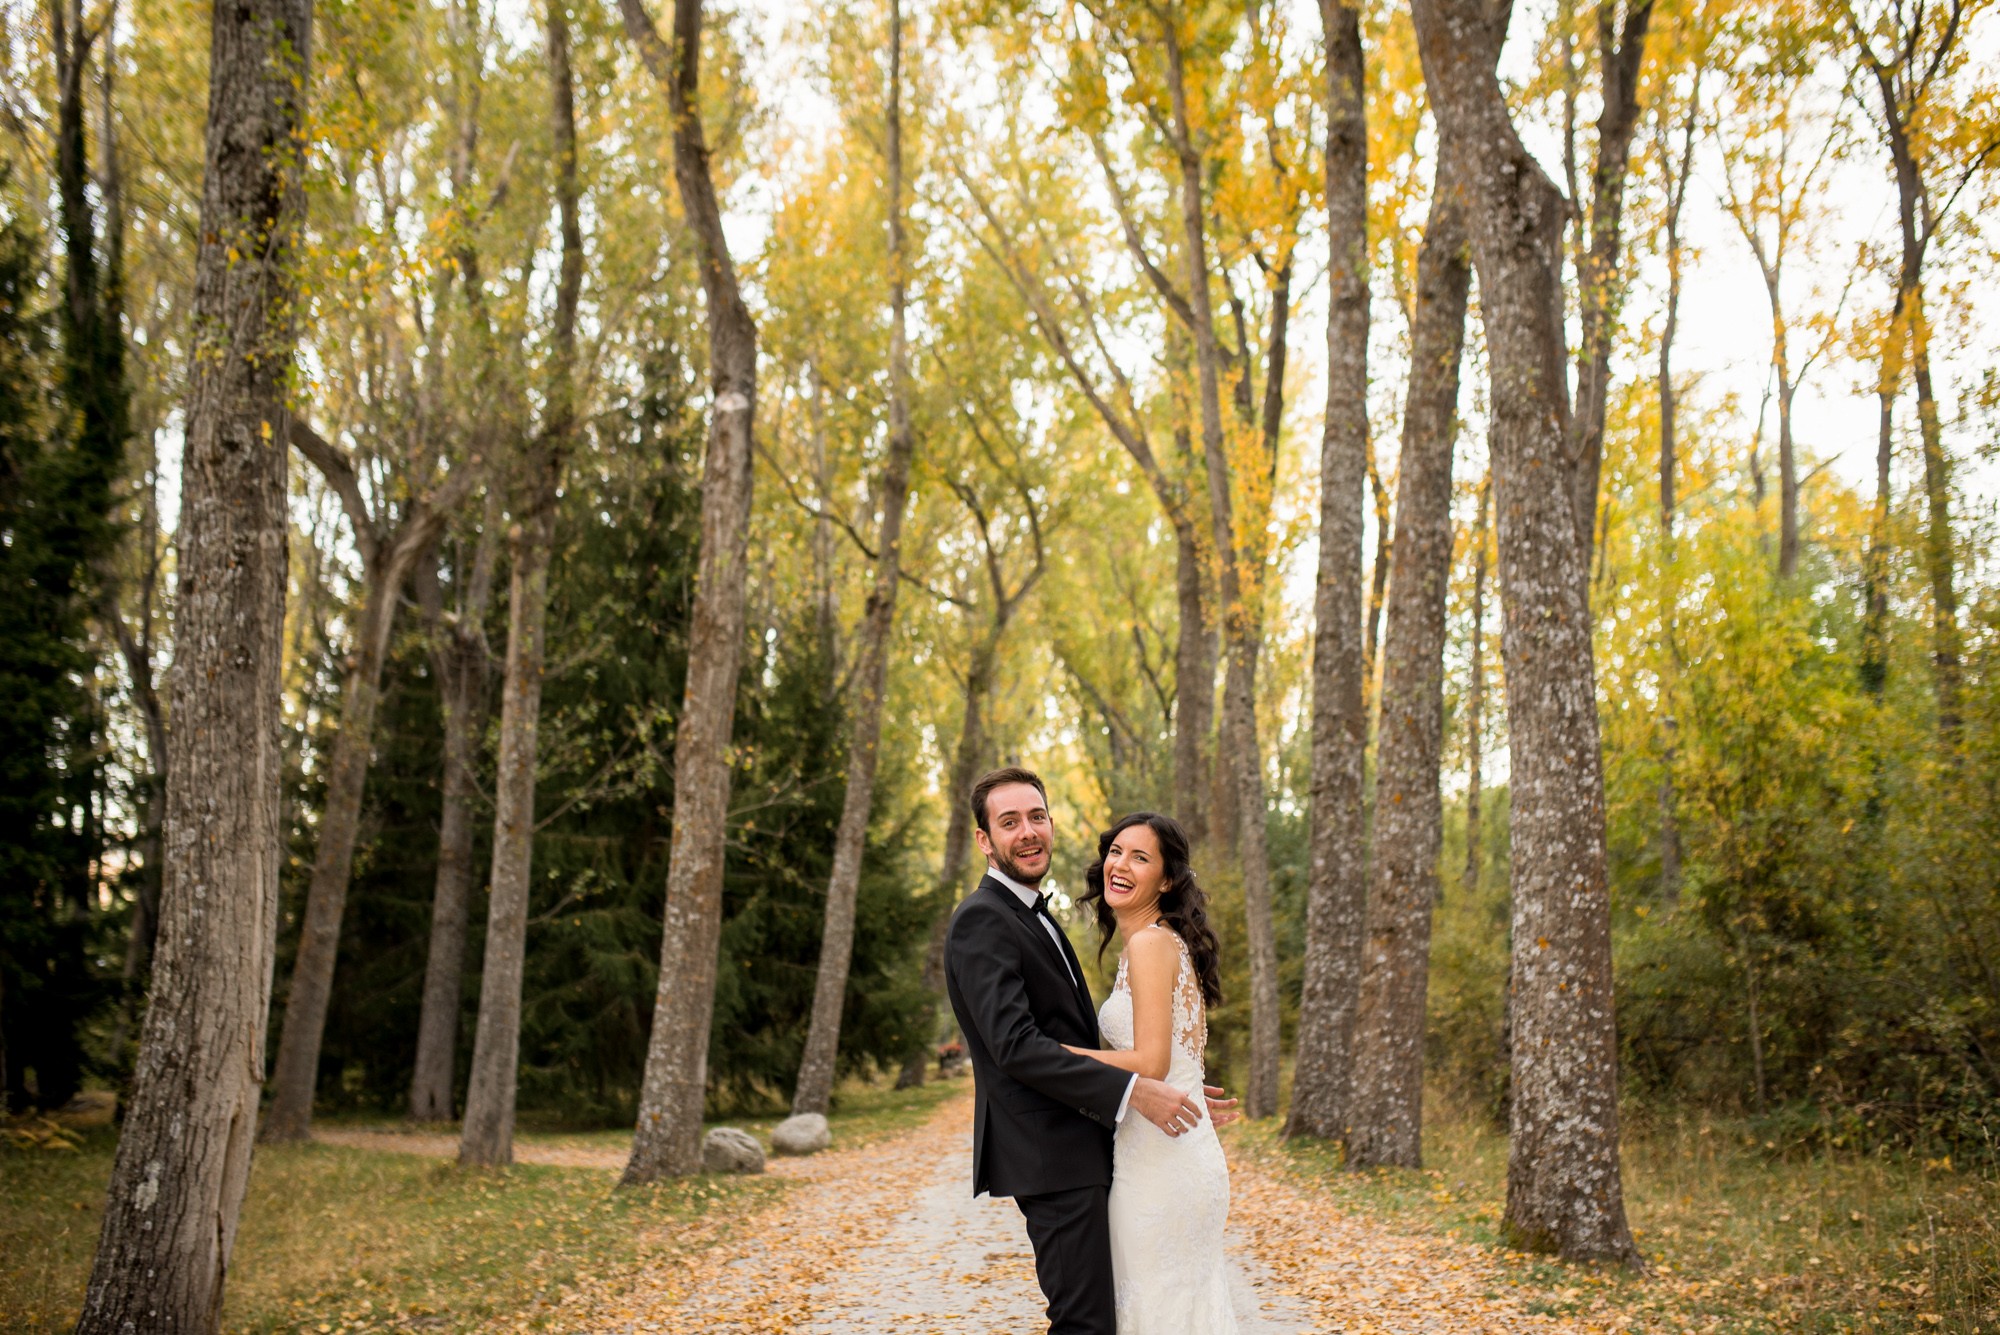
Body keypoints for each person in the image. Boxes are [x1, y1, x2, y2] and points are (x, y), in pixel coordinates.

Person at [943, 768, 1237, 1335]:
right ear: (984, 840)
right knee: (1087, 1321)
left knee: (1111, 1316)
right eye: (1009, 823)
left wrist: (1180, 1091)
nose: (1028, 832)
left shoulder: (1042, 918)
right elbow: (1015, 1047)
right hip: (1050, 1152)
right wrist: (1139, 1089)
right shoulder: (983, 919)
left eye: (1036, 817)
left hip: (1095, 1148)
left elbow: (1117, 1044)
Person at [1068, 811, 1238, 1333]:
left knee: (1156, 1312)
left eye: (1140, 857)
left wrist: (1057, 1056)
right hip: (1172, 1150)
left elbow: (1150, 1063)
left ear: (1166, 880)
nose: (1119, 864)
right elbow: (1176, 1060)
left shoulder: (1148, 943)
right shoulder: (1157, 943)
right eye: (1116, 851)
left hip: (1164, 1166)